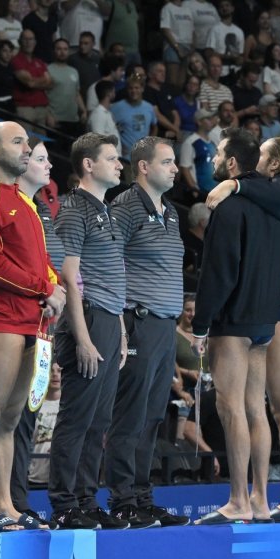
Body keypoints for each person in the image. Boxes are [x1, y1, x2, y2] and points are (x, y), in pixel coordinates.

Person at [191, 128, 280, 524]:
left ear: (232, 164)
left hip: (234, 321)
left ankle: (237, 501)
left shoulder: (228, 208)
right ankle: (261, 500)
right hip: (266, 321)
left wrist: (200, 325)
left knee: (231, 409)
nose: (213, 160)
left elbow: (219, 272)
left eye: (217, 155)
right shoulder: (277, 210)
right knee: (254, 410)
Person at [0, 123, 65, 534]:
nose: (26, 149)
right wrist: (46, 287)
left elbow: (39, 261)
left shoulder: (23, 201)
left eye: (27, 142)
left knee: (10, 420)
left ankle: (5, 502)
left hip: (33, 322)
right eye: (18, 142)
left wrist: (54, 286)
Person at [104, 137, 190, 527]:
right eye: (168, 162)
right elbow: (106, 260)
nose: (175, 168)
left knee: (154, 416)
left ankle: (142, 496)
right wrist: (120, 324)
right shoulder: (125, 206)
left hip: (165, 326)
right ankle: (123, 499)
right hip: (137, 322)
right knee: (130, 416)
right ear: (143, 167)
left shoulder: (170, 210)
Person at [48, 133, 128, 530]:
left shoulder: (106, 210)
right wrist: (81, 336)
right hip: (88, 319)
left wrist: (121, 330)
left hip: (109, 320)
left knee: (99, 420)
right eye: (112, 159)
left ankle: (85, 499)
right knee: (78, 417)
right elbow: (69, 275)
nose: (120, 165)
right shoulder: (74, 209)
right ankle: (64, 504)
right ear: (88, 165)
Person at [111, 75, 158, 161]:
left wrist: (150, 144)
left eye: (137, 88)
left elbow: (154, 126)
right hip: (124, 158)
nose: (133, 91)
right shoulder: (116, 107)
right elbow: (109, 128)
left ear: (142, 89)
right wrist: (118, 146)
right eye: (130, 88)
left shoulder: (149, 107)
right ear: (127, 89)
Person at [47, 38, 88, 134]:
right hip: (55, 119)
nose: (62, 52)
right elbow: (42, 95)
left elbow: (77, 93)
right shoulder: (47, 69)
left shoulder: (74, 71)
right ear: (54, 51)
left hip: (73, 119)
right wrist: (48, 115)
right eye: (59, 49)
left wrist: (84, 110)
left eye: (65, 49)